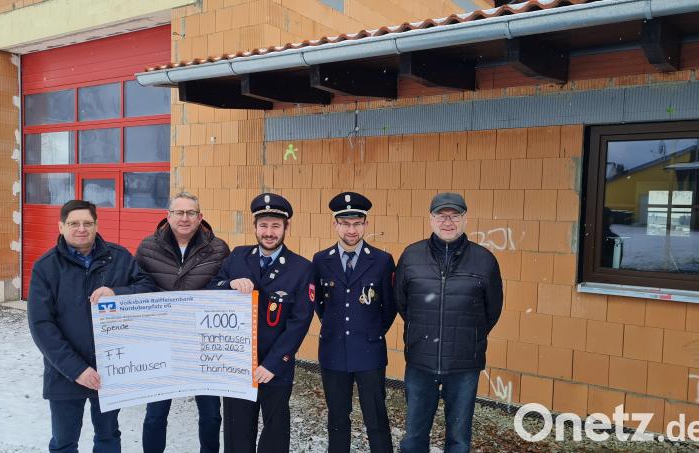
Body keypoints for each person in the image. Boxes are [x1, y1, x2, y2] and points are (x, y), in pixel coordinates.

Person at [27, 199, 155, 453]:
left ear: (96, 225)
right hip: (65, 373)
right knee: (64, 441)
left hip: (111, 369)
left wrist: (117, 292)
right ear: (61, 226)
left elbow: (147, 289)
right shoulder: (46, 266)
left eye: (88, 223)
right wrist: (77, 370)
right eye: (74, 223)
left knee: (108, 437)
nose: (81, 229)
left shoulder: (118, 257)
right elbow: (41, 325)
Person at [395, 192, 503, 453]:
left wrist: (466, 336)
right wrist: (424, 331)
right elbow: (402, 303)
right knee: (413, 438)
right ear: (431, 219)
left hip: (463, 364)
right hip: (421, 361)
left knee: (459, 440)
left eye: (455, 216)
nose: (448, 222)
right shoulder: (411, 256)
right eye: (441, 216)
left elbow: (492, 310)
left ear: (465, 219)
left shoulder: (484, 260)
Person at [209, 193, 314, 453]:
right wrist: (229, 284)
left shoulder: (301, 268)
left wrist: (273, 363)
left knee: (275, 434)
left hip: (274, 368)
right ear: (255, 226)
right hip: (236, 366)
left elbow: (299, 321)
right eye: (264, 225)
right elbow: (212, 291)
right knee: (237, 434)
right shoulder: (238, 257)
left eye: (276, 226)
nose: (269, 232)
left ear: (286, 228)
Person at [135, 191, 230, 453]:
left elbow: (223, 289)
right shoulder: (147, 247)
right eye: (179, 212)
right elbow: (138, 287)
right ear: (168, 216)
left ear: (200, 218)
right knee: (155, 414)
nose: (184, 218)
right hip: (161, 344)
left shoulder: (219, 248)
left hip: (202, 346)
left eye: (191, 213)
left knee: (211, 414)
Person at [312, 192, 397, 453]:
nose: (352, 229)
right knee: (337, 419)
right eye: (345, 223)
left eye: (357, 223)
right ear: (335, 224)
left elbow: (389, 307)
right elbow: (320, 306)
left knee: (376, 419)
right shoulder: (320, 260)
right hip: (333, 351)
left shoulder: (382, 260)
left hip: (369, 351)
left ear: (366, 224)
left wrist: (369, 332)